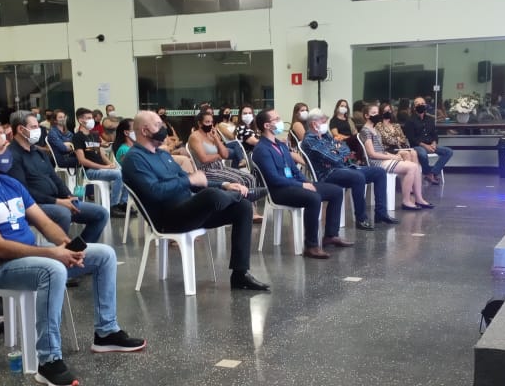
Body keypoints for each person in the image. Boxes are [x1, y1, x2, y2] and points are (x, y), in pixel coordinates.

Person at [0, 128, 145, 386]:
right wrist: (53, 254)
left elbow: (44, 223)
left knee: (104, 254)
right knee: (52, 270)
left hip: (34, 259)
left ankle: (106, 333)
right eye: (1, 148)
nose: (7, 151)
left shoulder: (10, 184)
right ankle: (48, 360)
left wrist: (65, 245)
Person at [122, 111, 271, 291]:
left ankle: (240, 275)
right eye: (158, 125)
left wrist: (224, 184)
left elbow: (192, 180)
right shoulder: (134, 159)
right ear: (145, 131)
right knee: (210, 196)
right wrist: (189, 181)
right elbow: (155, 192)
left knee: (243, 208)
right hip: (168, 219)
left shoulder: (163, 155)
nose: (163, 129)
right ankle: (241, 194)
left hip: (189, 210)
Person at [251, 110, 352, 259]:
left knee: (336, 191)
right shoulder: (262, 149)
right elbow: (274, 179)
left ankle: (331, 235)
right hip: (279, 191)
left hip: (295, 184)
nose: (280, 121)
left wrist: (306, 182)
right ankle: (311, 246)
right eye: (276, 119)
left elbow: (293, 169)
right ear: (267, 125)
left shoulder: (280, 144)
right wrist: (302, 186)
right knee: (314, 198)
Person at [7, 112, 109, 243]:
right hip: (33, 205)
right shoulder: (12, 156)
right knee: (63, 213)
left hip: (56, 200)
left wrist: (68, 196)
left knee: (101, 214)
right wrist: (57, 202)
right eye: (33, 127)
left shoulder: (38, 152)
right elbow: (23, 191)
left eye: (38, 126)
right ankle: (60, 255)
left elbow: (55, 178)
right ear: (21, 129)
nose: (38, 130)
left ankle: (78, 251)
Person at [299, 112, 398, 230]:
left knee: (379, 172)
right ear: (314, 124)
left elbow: (345, 147)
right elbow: (333, 159)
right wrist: (337, 152)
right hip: (328, 174)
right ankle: (361, 219)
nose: (326, 124)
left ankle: (381, 214)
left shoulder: (325, 135)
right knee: (357, 177)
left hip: (344, 168)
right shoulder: (309, 140)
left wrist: (337, 151)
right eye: (324, 122)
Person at [359, 104, 433, 210]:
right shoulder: (365, 131)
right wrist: (392, 158)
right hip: (375, 162)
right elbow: (372, 154)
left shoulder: (374, 129)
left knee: (415, 166)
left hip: (382, 158)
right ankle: (406, 201)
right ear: (366, 116)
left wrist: (393, 155)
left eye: (377, 113)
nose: (376, 115)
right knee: (412, 167)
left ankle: (419, 198)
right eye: (373, 113)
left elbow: (381, 150)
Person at [72, 107, 128, 216]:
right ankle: (113, 206)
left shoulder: (95, 135)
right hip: (90, 171)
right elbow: (82, 160)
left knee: (126, 172)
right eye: (88, 118)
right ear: (80, 120)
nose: (91, 120)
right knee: (119, 175)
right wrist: (105, 168)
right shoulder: (78, 137)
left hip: (101, 168)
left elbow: (101, 154)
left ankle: (123, 203)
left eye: (91, 117)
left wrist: (110, 164)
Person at [402, 97, 453, 184]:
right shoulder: (410, 121)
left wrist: (434, 143)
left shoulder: (430, 119)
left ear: (425, 105)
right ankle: (428, 174)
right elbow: (412, 138)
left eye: (422, 104)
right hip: (417, 146)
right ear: (414, 107)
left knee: (448, 151)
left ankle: (433, 173)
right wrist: (425, 146)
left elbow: (434, 134)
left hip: (431, 144)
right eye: (418, 104)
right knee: (422, 153)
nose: (421, 106)